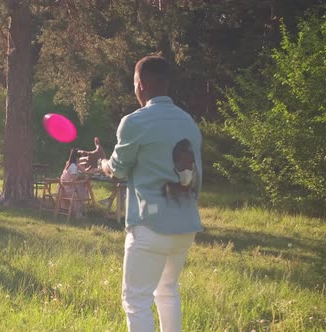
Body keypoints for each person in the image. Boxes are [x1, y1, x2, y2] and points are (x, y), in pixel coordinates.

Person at [79, 55, 202, 332]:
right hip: (185, 225)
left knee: (136, 300)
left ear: (141, 85)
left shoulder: (135, 121)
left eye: (134, 84)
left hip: (150, 226)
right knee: (168, 291)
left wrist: (101, 163)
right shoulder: (189, 122)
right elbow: (197, 178)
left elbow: (118, 170)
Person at [58, 148, 88, 219]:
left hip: (64, 188)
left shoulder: (68, 164)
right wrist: (85, 180)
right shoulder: (73, 167)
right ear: (77, 158)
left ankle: (79, 210)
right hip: (70, 191)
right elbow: (74, 181)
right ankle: (78, 212)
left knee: (81, 187)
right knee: (83, 188)